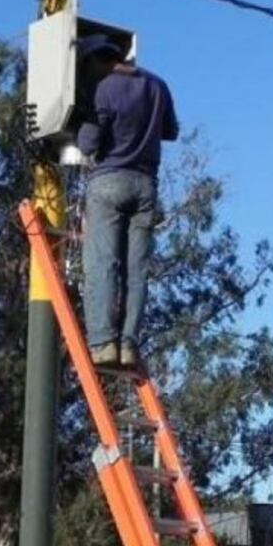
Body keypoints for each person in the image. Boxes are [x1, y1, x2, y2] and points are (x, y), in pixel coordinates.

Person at [76, 33, 179, 370]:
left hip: (109, 181)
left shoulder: (103, 88)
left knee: (103, 264)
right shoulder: (157, 85)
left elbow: (90, 143)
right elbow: (171, 131)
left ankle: (104, 342)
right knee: (137, 270)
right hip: (146, 185)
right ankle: (129, 344)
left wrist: (82, 126)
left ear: (97, 60)